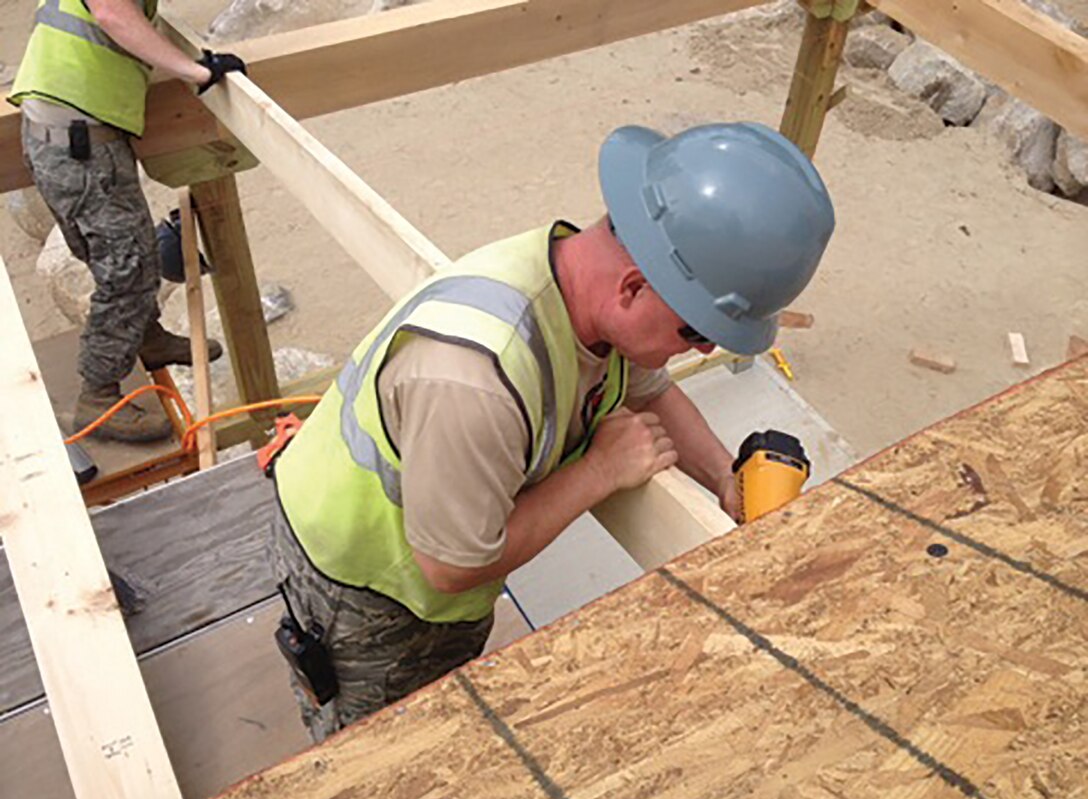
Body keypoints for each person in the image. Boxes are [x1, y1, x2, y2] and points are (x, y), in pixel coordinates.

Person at [268, 122, 836, 742]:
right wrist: (599, 471)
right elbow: (452, 567)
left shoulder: (584, 280)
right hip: (365, 587)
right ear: (635, 286)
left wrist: (726, 479)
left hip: (438, 548)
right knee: (380, 749)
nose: (696, 350)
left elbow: (648, 384)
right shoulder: (473, 378)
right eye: (694, 333)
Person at [9, 0, 247, 442]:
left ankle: (145, 335)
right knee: (128, 270)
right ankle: (98, 396)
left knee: (124, 259)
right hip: (76, 143)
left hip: (73, 134)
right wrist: (198, 71)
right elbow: (113, 16)